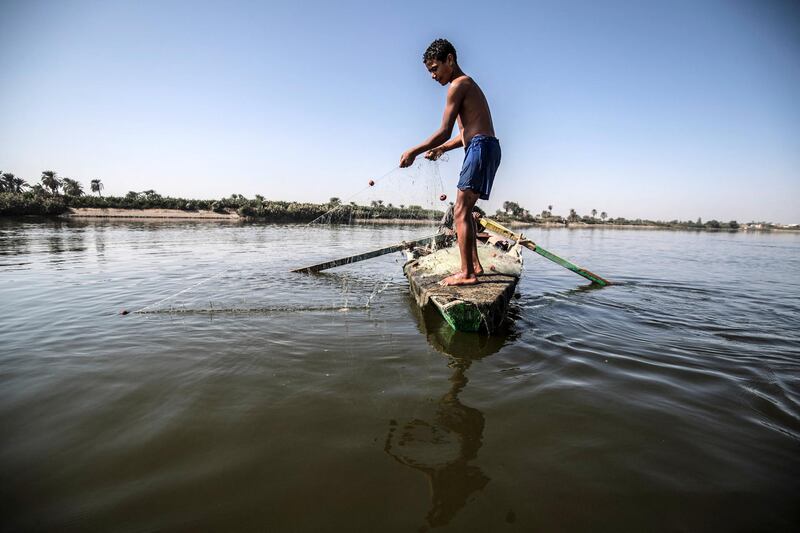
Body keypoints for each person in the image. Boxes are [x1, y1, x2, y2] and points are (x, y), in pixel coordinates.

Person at [400, 38, 501, 286]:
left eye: (435, 68)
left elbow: (445, 130)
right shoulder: (467, 84)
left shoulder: (458, 85)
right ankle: (475, 265)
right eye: (429, 71)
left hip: (480, 148)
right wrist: (442, 149)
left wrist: (414, 150)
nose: (433, 76)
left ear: (450, 60)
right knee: (463, 211)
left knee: (461, 210)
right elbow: (465, 133)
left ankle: (467, 274)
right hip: (484, 146)